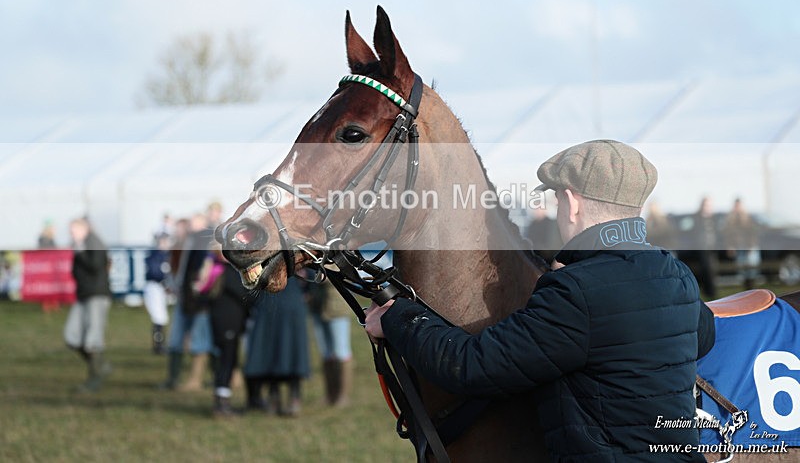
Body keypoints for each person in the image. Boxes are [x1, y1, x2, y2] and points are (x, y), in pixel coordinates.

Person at [366, 140, 716, 462]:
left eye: (557, 200)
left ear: (572, 202)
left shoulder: (575, 292)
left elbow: (471, 366)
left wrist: (398, 317)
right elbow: (703, 336)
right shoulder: (676, 276)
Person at [160, 213, 215, 391]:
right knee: (182, 338)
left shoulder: (205, 241)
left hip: (200, 298)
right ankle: (175, 378)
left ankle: (195, 380)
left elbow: (205, 270)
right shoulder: (190, 241)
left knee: (199, 339)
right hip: (189, 295)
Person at [244, 275, 310, 417]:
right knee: (270, 350)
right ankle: (274, 395)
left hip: (291, 302)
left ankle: (294, 397)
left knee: (292, 351)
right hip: (269, 303)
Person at [63, 218, 112, 392]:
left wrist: (81, 252)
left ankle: (95, 379)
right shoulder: (82, 244)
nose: (71, 234)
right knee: (72, 337)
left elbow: (96, 265)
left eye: (73, 230)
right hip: (83, 295)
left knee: (93, 339)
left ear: (83, 229)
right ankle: (102, 365)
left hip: (96, 295)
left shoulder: (93, 242)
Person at [206, 247, 254, 417]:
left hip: (224, 322)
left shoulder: (215, 270)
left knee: (227, 359)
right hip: (228, 323)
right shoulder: (228, 272)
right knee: (227, 360)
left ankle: (222, 398)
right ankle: (221, 402)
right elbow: (243, 295)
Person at [303, 272, 354, 407]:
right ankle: (330, 395)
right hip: (317, 306)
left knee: (341, 352)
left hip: (337, 308)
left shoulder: (341, 251)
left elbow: (344, 274)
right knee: (326, 353)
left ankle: (343, 396)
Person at [722, 198, 761, 290]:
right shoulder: (731, 220)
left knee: (752, 270)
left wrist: (751, 246)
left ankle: (753, 290)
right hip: (739, 247)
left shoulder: (748, 218)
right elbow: (728, 235)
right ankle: (747, 291)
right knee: (743, 272)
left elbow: (753, 233)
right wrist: (730, 246)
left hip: (749, 247)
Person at [143, 233, 172, 354]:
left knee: (162, 316)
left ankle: (160, 345)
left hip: (162, 288)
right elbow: (156, 273)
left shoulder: (167, 255)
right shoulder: (154, 256)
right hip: (155, 287)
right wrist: (166, 280)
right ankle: (158, 346)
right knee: (159, 316)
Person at [691, 196, 719, 298]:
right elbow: (694, 234)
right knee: (706, 268)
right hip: (702, 249)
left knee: (712, 269)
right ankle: (710, 292)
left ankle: (711, 292)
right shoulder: (697, 218)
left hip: (712, 249)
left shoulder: (714, 219)